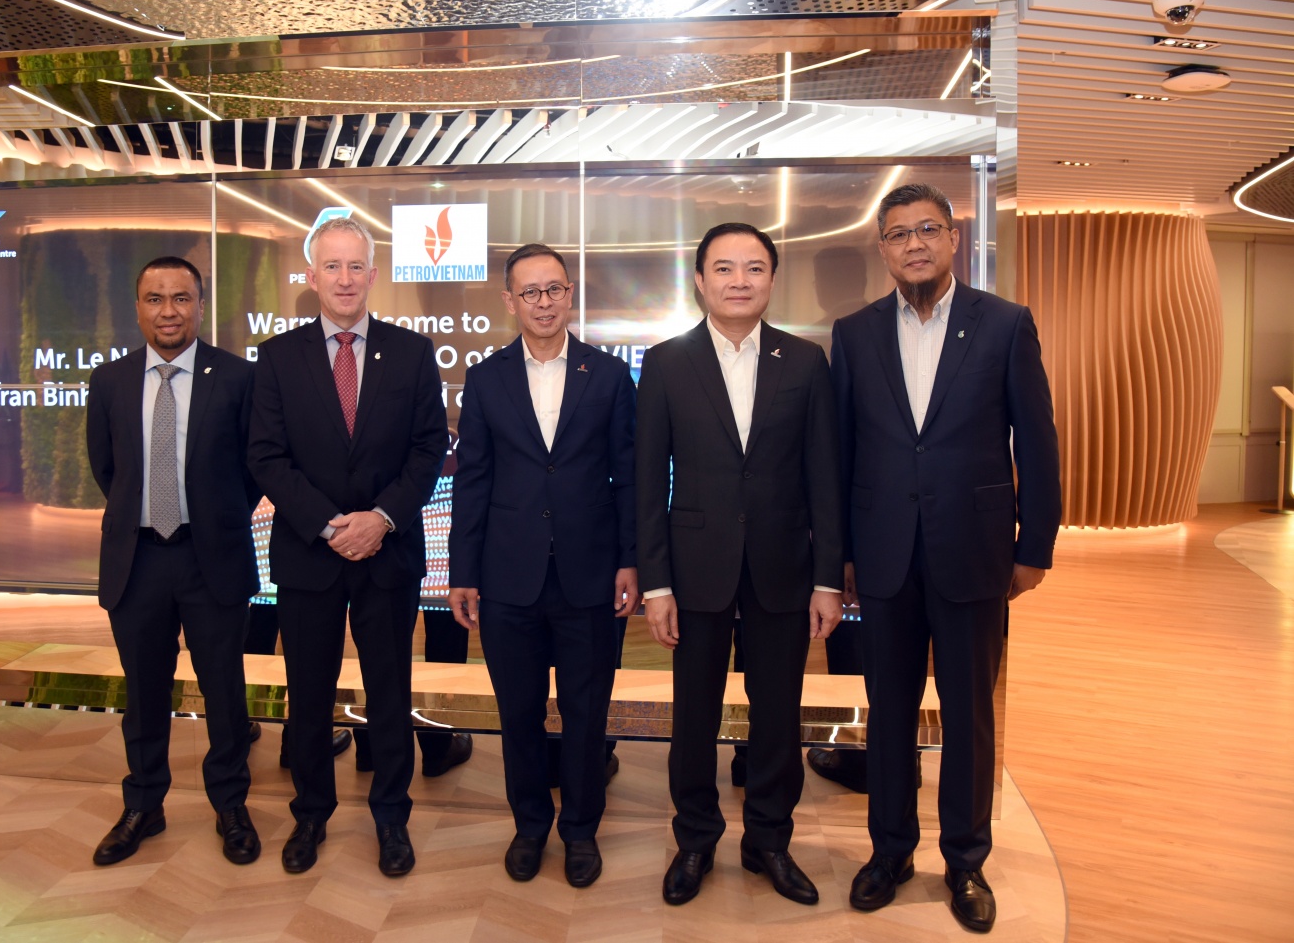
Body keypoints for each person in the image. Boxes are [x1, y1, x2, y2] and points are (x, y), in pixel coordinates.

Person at [831, 183, 1060, 933]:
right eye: (899, 234)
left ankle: (965, 859)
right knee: (890, 711)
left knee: (968, 716)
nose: (915, 244)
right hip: (883, 557)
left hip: (975, 551)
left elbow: (1038, 440)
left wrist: (1035, 545)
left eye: (928, 229)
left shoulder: (1005, 324)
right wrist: (841, 555)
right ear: (883, 249)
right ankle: (890, 851)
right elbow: (841, 454)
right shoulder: (854, 334)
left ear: (954, 238)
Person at [637, 222, 843, 907]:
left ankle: (770, 841)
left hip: (785, 566)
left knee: (778, 714)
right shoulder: (666, 363)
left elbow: (825, 477)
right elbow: (647, 482)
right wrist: (656, 582)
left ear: (772, 279)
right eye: (723, 268)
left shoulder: (805, 361)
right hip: (695, 567)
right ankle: (695, 839)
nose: (739, 281)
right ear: (700, 280)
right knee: (694, 714)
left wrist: (827, 577)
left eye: (754, 268)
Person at [247, 216, 448, 878]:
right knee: (308, 695)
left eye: (355, 265)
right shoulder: (278, 357)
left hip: (388, 555)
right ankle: (311, 813)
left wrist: (381, 518)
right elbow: (266, 456)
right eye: (331, 266)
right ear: (311, 276)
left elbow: (429, 449)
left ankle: (392, 817)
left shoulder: (412, 352)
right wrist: (331, 525)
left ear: (373, 274)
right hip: (310, 555)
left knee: (389, 692)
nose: (344, 278)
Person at [448, 243, 638, 888]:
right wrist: (463, 572)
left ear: (570, 293)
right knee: (519, 713)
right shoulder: (486, 378)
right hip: (508, 577)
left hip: (591, 575)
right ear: (510, 301)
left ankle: (580, 831)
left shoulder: (608, 375)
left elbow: (628, 478)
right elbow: (472, 480)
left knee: (587, 716)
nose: (545, 302)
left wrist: (630, 561)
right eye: (530, 291)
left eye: (555, 288)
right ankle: (530, 826)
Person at [84, 256, 263, 867]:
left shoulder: (237, 378)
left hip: (212, 558)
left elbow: (251, 470)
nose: (168, 311)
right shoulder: (110, 380)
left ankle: (231, 805)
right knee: (143, 692)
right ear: (138, 308)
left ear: (200, 306)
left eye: (181, 298)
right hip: (136, 561)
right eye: (155, 299)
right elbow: (108, 468)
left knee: (224, 691)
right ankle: (143, 805)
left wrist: (214, 518)